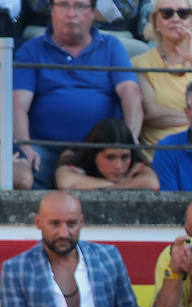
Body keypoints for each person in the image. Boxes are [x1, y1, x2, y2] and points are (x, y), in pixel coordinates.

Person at [12, 0, 143, 188]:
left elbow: (131, 94)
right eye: (63, 5)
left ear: (92, 12)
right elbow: (18, 104)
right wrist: (25, 144)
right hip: (44, 148)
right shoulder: (32, 49)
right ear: (52, 10)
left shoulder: (111, 46)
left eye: (80, 6)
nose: (71, 13)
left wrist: (129, 142)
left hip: (99, 153)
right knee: (21, 175)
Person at [0, 191, 148, 307]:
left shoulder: (108, 256)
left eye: (71, 224)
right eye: (55, 224)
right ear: (38, 222)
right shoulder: (16, 269)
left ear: (81, 222)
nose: (64, 233)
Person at [131, 0, 192, 146]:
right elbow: (151, 114)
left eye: (183, 14)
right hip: (160, 156)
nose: (175, 19)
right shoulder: (140, 64)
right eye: (167, 13)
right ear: (156, 22)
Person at [54, 117, 160, 189]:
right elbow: (64, 182)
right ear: (94, 155)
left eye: (125, 157)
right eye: (110, 157)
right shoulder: (73, 155)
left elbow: (152, 183)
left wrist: (94, 185)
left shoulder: (135, 162)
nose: (119, 166)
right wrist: (121, 184)